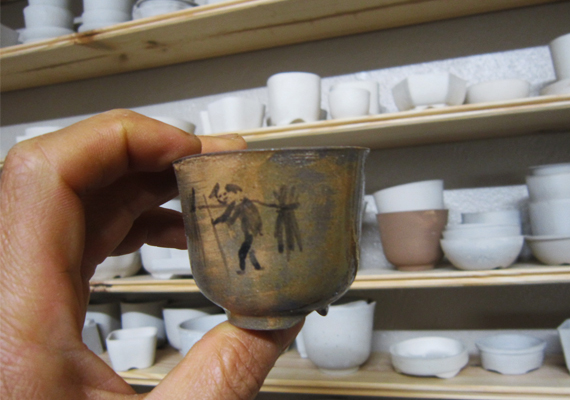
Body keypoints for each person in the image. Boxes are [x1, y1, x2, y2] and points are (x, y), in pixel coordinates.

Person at [0, 110, 303, 399]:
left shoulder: (246, 205)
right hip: (244, 243)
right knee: (245, 255)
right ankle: (251, 265)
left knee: (247, 253)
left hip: (251, 237)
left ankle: (253, 265)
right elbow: (226, 217)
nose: (226, 197)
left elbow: (237, 218)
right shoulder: (235, 206)